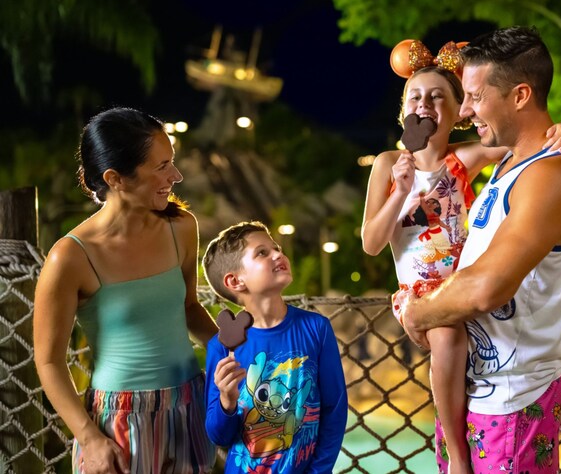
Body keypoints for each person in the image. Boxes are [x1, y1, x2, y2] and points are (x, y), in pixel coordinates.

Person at [361, 39, 561, 474]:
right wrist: (401, 193)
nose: (425, 104)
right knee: (447, 338)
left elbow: (526, 139)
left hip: (467, 280)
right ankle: (459, 456)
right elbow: (371, 241)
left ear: (457, 110)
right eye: (416, 97)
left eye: (439, 96)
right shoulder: (389, 164)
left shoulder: (463, 159)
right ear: (403, 110)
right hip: (421, 291)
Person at [33, 107, 218, 473]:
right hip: (118, 423)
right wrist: (89, 438)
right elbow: (49, 362)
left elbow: (189, 308)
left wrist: (243, 356)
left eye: (173, 162)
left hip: (190, 405)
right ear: (116, 178)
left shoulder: (180, 226)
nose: (176, 176)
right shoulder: (69, 257)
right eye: (161, 166)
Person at [202, 221, 348, 473]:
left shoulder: (316, 328)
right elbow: (219, 437)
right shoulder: (221, 348)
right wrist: (226, 401)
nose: (279, 254)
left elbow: (334, 410)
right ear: (235, 281)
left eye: (276, 248)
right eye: (262, 252)